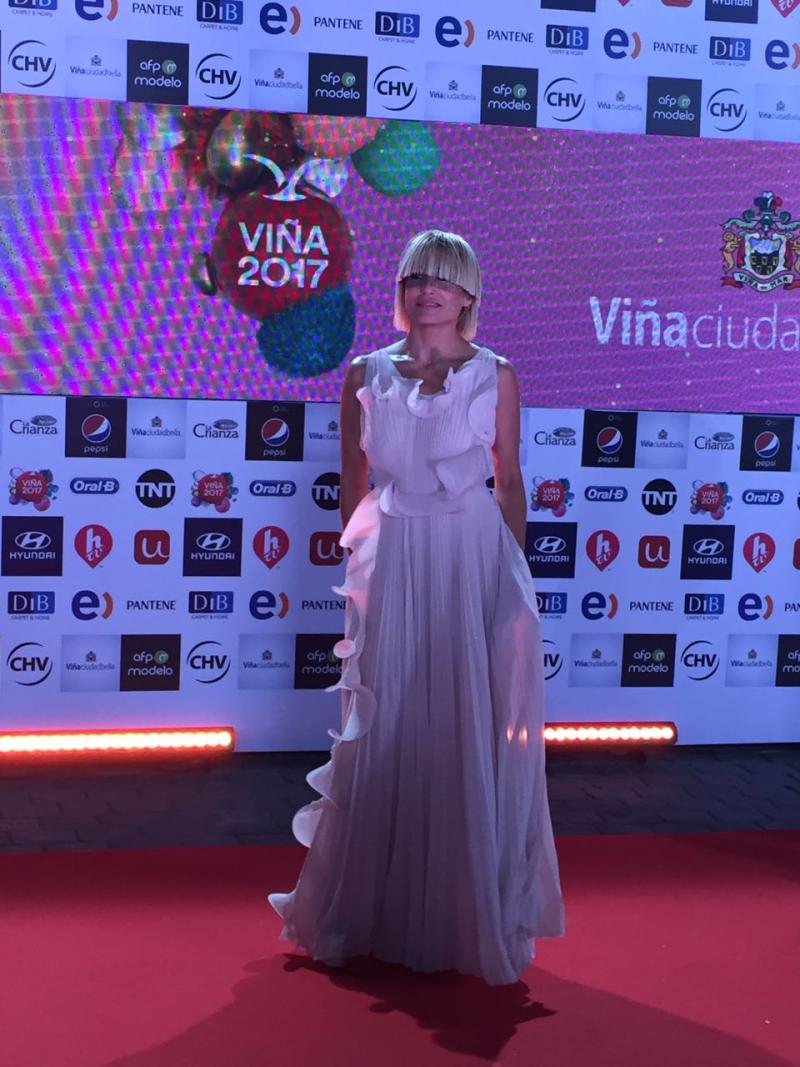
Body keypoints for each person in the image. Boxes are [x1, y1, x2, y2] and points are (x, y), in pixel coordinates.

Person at [268, 229, 565, 985]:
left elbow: (509, 478)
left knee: (464, 714)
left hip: (471, 553)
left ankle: (465, 912)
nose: (428, 288)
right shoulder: (364, 373)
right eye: (415, 276)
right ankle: (371, 910)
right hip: (392, 553)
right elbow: (352, 476)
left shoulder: (496, 374)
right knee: (386, 717)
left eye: (443, 277)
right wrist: (357, 558)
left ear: (468, 294)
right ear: (401, 290)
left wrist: (513, 572)